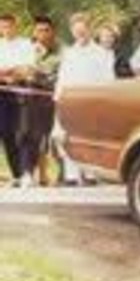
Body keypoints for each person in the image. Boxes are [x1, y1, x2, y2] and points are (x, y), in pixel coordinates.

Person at [53, 13, 116, 186]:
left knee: (91, 139)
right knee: (68, 139)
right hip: (71, 102)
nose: (80, 34)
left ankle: (90, 175)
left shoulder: (103, 54)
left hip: (93, 103)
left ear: (89, 30)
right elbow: (62, 79)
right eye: (76, 31)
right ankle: (71, 177)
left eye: (83, 30)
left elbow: (108, 81)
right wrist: (59, 101)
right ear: (72, 31)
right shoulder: (69, 53)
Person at [16, 16, 60, 187]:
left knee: (46, 138)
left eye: (46, 30)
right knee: (26, 136)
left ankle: (45, 174)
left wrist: (35, 72)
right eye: (39, 30)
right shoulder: (26, 49)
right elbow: (18, 70)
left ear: (52, 32)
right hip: (26, 100)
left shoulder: (59, 52)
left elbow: (54, 75)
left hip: (48, 100)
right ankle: (26, 172)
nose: (42, 34)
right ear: (34, 32)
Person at [0, 13, 35, 185]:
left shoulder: (25, 44)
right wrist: (11, 72)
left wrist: (9, 71)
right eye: (3, 27)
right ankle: (16, 174)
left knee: (23, 132)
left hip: (22, 91)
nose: (6, 30)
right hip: (2, 93)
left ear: (15, 26)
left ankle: (26, 172)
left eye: (9, 26)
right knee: (6, 133)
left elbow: (28, 69)